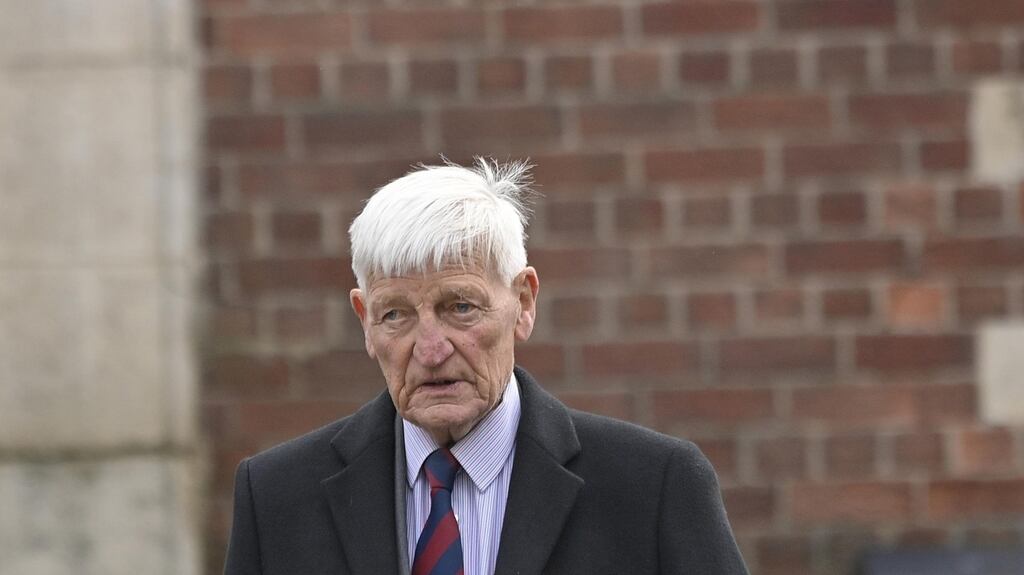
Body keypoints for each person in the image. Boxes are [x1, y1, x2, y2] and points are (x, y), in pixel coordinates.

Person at [224, 159, 749, 575]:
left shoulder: (652, 488)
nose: (430, 349)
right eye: (396, 315)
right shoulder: (277, 498)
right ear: (364, 321)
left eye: (460, 307)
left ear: (523, 302)